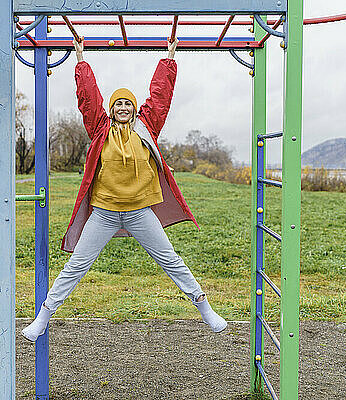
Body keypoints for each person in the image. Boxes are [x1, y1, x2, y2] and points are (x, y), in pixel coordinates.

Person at [22, 37, 227, 343]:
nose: (122, 107)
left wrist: (169, 59)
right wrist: (81, 60)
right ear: (111, 108)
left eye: (127, 104)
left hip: (139, 212)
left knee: (170, 259)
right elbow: (88, 98)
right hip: (104, 213)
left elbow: (160, 97)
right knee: (77, 265)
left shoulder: (146, 128)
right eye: (117, 103)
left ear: (134, 109)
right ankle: (43, 317)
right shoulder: (100, 129)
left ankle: (205, 307)